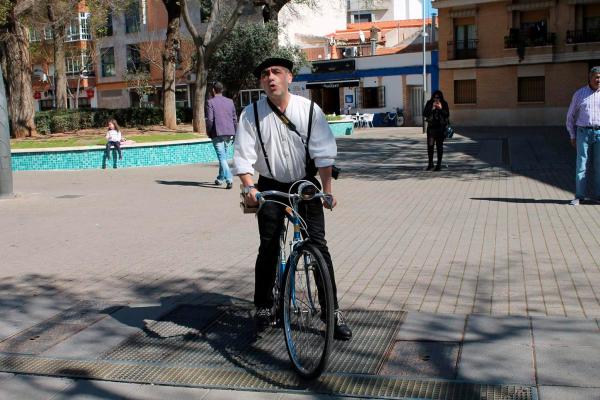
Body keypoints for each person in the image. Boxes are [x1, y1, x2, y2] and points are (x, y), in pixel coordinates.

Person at [232, 57, 352, 341]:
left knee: (318, 247)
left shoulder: (309, 110)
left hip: (304, 184)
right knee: (269, 245)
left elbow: (323, 153)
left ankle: (331, 312)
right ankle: (263, 305)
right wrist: (250, 187)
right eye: (264, 74)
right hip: (270, 184)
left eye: (276, 72)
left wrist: (327, 191)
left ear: (289, 78)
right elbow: (243, 156)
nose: (270, 77)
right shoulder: (250, 114)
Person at [566, 66, 600, 205]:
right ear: (590, 77)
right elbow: (570, 116)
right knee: (582, 165)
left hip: (599, 133)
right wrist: (572, 135)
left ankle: (598, 196)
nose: (598, 79)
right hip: (583, 133)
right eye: (596, 77)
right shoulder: (580, 94)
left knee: (599, 167)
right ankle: (579, 196)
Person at [206, 81, 238, 189]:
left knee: (222, 158)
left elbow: (210, 120)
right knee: (223, 156)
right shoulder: (230, 101)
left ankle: (229, 179)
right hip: (229, 132)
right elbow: (234, 119)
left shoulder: (210, 102)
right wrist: (235, 132)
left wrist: (209, 131)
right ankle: (220, 178)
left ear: (213, 90)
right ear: (222, 90)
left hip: (217, 133)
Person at [423, 90, 450, 171]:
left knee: (439, 147)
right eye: (434, 97)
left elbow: (447, 114)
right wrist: (432, 108)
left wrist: (441, 109)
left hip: (440, 129)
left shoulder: (444, 103)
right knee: (430, 146)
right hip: (431, 129)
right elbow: (424, 113)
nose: (436, 99)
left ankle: (439, 164)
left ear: (440, 97)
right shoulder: (429, 103)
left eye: (438, 97)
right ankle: (430, 164)